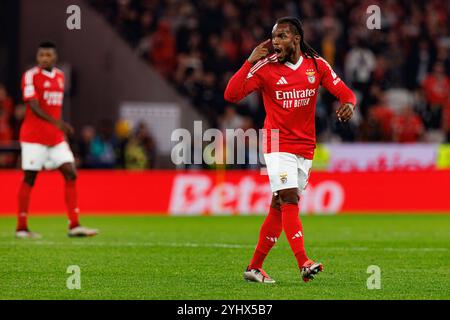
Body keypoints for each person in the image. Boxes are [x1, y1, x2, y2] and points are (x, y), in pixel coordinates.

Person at [224, 17, 356, 283]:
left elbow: (345, 92)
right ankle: (303, 262)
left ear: (296, 39)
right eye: (273, 37)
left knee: (278, 205)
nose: (275, 42)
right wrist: (248, 62)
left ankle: (254, 267)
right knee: (289, 197)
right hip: (277, 143)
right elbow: (231, 94)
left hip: (305, 147)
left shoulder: (316, 65)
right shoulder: (265, 68)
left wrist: (350, 104)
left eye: (282, 36)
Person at [16, 41, 98, 238]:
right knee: (30, 178)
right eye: (41, 55)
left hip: (55, 138)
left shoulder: (61, 76)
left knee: (71, 173)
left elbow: (54, 106)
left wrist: (58, 128)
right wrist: (59, 123)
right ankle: (21, 227)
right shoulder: (30, 76)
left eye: (48, 55)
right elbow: (34, 106)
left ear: (55, 57)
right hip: (33, 137)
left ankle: (74, 225)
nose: (44, 58)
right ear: (37, 58)